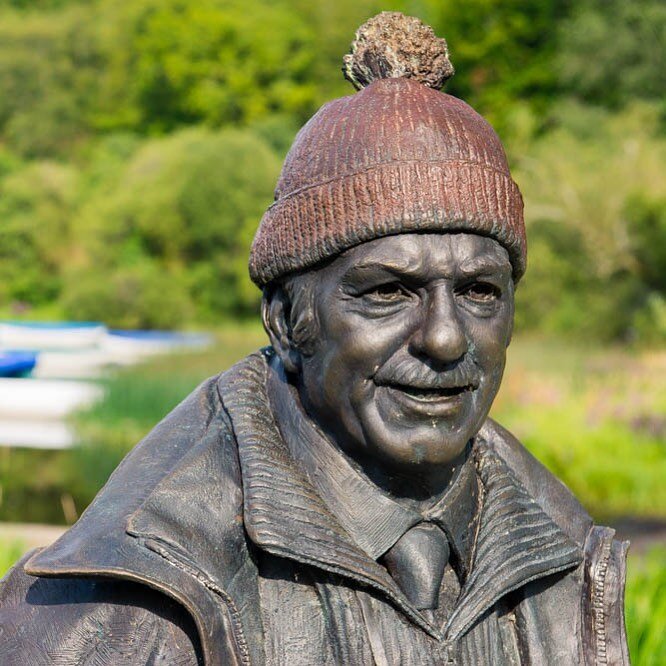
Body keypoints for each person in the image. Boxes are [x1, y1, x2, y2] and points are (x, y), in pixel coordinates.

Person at [0, 12, 629, 665]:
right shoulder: (137, 592)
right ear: (285, 320)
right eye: (387, 291)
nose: (445, 339)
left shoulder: (566, 552)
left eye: (479, 292)